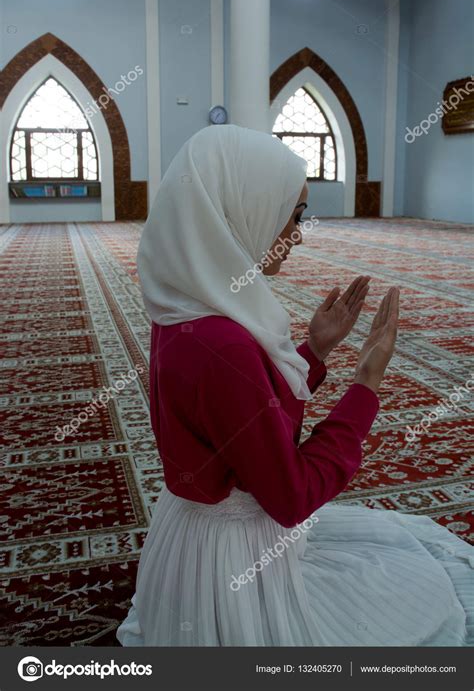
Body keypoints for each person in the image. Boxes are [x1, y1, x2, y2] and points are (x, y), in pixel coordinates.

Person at [116, 124, 473, 647]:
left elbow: (245, 423)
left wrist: (316, 351)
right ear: (243, 207)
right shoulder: (225, 342)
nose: (298, 234)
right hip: (232, 562)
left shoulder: (189, 304)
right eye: (294, 214)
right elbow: (291, 495)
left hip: (190, 538)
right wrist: (366, 383)